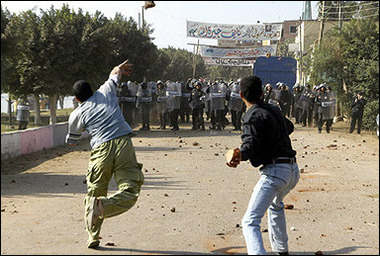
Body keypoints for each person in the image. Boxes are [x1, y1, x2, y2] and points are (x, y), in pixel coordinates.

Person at [65, 60, 144, 249]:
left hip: (101, 150)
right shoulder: (106, 90)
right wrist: (120, 68)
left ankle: (93, 235)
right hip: (123, 144)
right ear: (92, 90)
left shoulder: (77, 113)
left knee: (94, 193)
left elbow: (73, 140)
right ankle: (105, 207)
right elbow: (115, 73)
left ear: (76, 99)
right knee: (130, 190)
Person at [226, 75, 300, 255]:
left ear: (241, 95)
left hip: (275, 172)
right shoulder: (273, 109)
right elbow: (289, 127)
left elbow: (249, 146)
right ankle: (281, 250)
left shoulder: (251, 115)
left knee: (250, 221)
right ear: (261, 93)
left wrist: (239, 155)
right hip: (292, 170)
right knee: (276, 205)